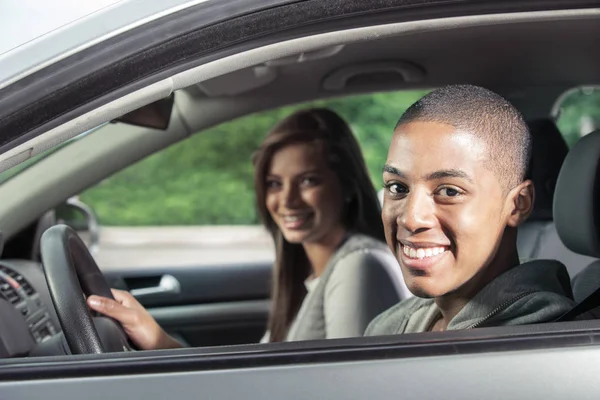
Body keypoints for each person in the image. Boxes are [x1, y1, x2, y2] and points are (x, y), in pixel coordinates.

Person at [87, 108, 408, 348]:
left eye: (308, 181)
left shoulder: (359, 265)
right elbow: (260, 375)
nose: (287, 200)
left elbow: (352, 386)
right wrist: (156, 339)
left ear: (347, 185)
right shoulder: (312, 274)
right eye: (274, 184)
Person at [365, 84, 575, 335]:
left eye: (449, 192)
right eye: (398, 187)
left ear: (518, 204)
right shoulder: (389, 325)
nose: (412, 218)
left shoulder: (542, 339)